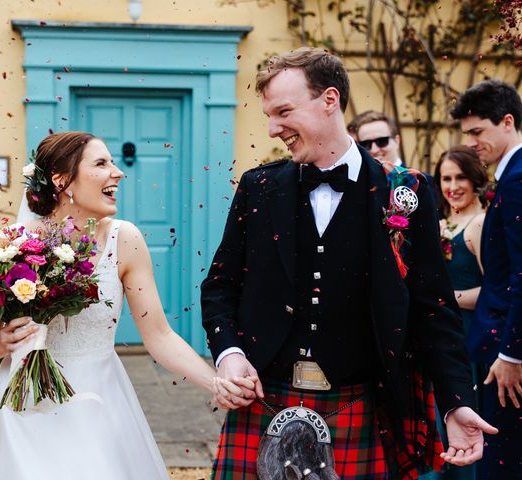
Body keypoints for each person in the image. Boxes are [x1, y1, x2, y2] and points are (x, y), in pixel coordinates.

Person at [201, 47, 497, 479]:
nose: (271, 128)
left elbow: (433, 310)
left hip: (359, 403)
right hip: (265, 400)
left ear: (330, 100)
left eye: (284, 111)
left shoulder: (405, 193)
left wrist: (457, 401)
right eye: (268, 115)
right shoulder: (259, 188)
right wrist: (228, 354)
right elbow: (220, 287)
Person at [0, 131, 241, 480]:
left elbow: (158, 335)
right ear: (61, 180)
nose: (118, 172)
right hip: (24, 406)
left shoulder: (125, 240)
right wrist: (0, 342)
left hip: (99, 399)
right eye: (101, 163)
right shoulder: (13, 244)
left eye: (113, 162)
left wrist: (216, 382)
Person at [450, 79, 522, 479]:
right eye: (467, 134)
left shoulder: (516, 180)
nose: (473, 142)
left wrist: (513, 355)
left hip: (507, 360)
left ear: (507, 121)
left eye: (478, 132)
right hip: (501, 352)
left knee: (504, 468)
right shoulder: (511, 175)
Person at [429, 146, 489, 480]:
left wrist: (444, 297)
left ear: (476, 179)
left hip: (468, 338)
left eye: (460, 177)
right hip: (441, 337)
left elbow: (493, 292)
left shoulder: (480, 224)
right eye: (446, 178)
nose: (452, 186)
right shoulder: (437, 224)